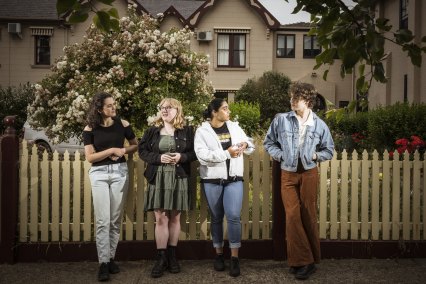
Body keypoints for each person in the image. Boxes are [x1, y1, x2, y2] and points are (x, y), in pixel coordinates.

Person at [263, 82, 334, 280]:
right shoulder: (281, 120)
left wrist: (314, 157)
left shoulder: (319, 125)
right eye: (292, 97)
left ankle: (301, 261)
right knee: (292, 215)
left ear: (308, 101)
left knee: (308, 215)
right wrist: (281, 155)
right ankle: (305, 261)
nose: (292, 101)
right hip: (288, 173)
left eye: (297, 98)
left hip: (309, 173)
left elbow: (329, 150)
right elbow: (268, 142)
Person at [194, 98, 255, 277]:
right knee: (216, 217)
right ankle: (219, 255)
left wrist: (245, 144)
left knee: (234, 216)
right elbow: (203, 156)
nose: (229, 111)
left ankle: (234, 257)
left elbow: (250, 143)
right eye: (225, 108)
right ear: (214, 112)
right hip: (213, 180)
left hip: (234, 179)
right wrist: (227, 154)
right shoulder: (202, 131)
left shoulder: (234, 126)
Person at [138, 98, 196, 278]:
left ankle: (172, 256)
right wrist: (158, 158)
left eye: (169, 108)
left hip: (179, 177)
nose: (164, 110)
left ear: (177, 110)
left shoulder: (187, 131)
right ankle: (161, 258)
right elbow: (142, 151)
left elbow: (195, 152)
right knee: (161, 218)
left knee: (175, 218)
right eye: (162, 107)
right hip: (159, 177)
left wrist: (181, 157)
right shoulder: (152, 131)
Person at [83, 92, 138, 281]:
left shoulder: (123, 124)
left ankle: (110, 258)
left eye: (114, 104)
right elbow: (90, 157)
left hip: (119, 173)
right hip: (98, 175)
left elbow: (134, 145)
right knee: (102, 221)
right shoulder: (90, 128)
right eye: (109, 106)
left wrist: (123, 150)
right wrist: (111, 150)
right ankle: (103, 263)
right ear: (99, 109)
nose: (113, 108)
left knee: (115, 220)